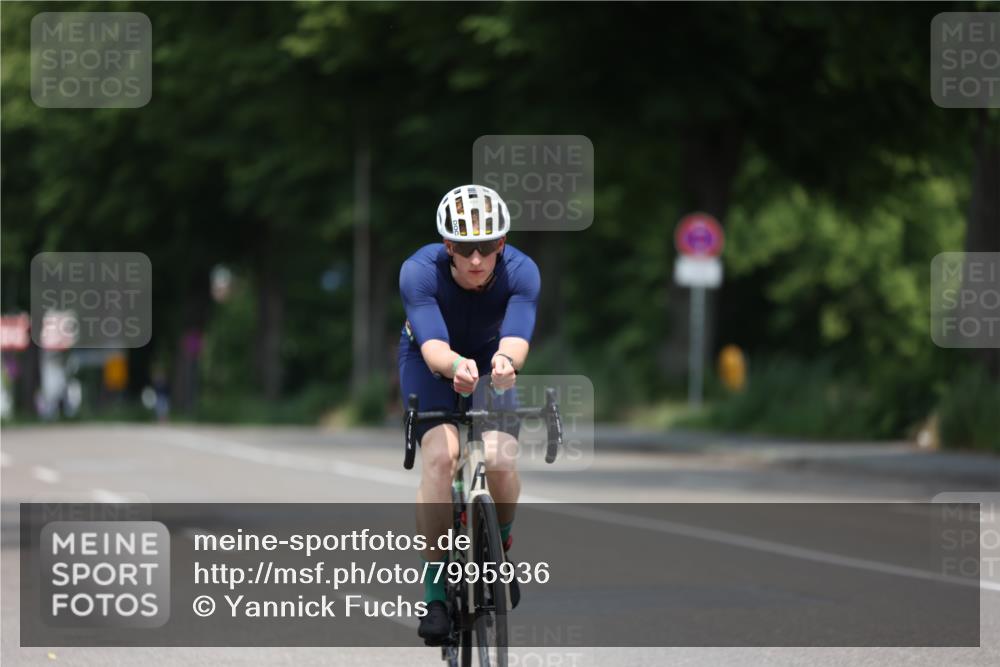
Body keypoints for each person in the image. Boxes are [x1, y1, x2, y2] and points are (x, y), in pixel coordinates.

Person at [398, 184, 540, 645]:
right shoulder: (419, 271)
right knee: (441, 457)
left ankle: (501, 548)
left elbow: (517, 335)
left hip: (492, 358)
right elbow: (434, 344)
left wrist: (506, 364)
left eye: (487, 246)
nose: (476, 259)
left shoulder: (523, 271)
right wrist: (457, 367)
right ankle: (436, 594)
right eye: (463, 247)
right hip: (430, 360)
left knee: (499, 457)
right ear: (447, 245)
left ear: (502, 243)